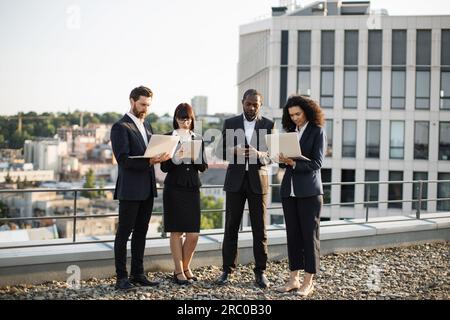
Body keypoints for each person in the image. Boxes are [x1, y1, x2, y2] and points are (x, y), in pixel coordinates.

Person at [110, 86, 171, 290]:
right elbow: (123, 160)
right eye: (143, 104)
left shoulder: (148, 126)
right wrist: (150, 160)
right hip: (130, 189)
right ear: (132, 101)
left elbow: (150, 156)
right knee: (124, 234)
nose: (145, 108)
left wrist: (161, 157)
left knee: (141, 234)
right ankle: (121, 278)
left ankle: (138, 274)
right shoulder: (120, 127)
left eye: (148, 105)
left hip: (147, 188)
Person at [215, 89, 274, 288]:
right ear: (242, 102)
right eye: (248, 104)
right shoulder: (230, 123)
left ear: (260, 105)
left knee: (260, 229)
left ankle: (260, 272)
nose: (251, 107)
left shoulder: (268, 125)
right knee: (231, 227)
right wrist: (233, 151)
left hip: (258, 182)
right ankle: (227, 270)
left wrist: (258, 154)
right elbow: (219, 151)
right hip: (235, 183)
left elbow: (272, 156)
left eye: (255, 104)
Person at [276, 95, 326, 297]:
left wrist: (293, 163)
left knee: (309, 237)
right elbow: (283, 164)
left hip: (310, 193)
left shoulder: (317, 132)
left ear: (307, 111)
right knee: (293, 236)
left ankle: (308, 282)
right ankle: (293, 279)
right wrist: (280, 158)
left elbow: (317, 163)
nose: (295, 118)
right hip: (289, 191)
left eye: (298, 113)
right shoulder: (289, 132)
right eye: (291, 115)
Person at [160, 103, 208, 285]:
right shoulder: (168, 137)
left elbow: (203, 166)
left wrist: (193, 157)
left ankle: (185, 267)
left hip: (192, 187)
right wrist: (176, 158)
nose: (184, 122)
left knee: (193, 233)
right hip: (173, 187)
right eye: (181, 118)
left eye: (187, 118)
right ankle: (179, 271)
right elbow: (164, 167)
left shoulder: (198, 138)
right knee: (176, 231)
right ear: (176, 119)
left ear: (191, 119)